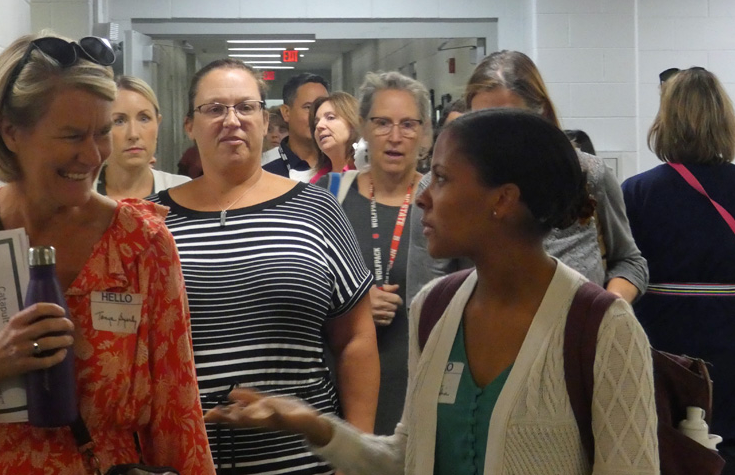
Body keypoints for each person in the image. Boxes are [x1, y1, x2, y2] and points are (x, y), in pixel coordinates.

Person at [205, 108, 660, 475]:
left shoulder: (600, 328)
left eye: (441, 179)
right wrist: (311, 424)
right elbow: (406, 459)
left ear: (501, 200)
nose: (423, 196)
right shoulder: (435, 308)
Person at [0, 33, 212, 474]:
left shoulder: (141, 244)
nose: (92, 154)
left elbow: (178, 412)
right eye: (71, 136)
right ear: (10, 132)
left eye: (103, 132)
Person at [148, 58, 379, 474]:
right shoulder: (151, 224)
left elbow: (355, 340)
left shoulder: (317, 208)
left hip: (305, 461)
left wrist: (357, 453)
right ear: (188, 125)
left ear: (265, 118)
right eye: (215, 109)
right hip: (187, 461)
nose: (231, 120)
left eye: (245, 107)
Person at [622, 67, 735, 475]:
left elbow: (613, 273)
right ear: (725, 122)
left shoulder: (636, 192)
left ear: (665, 123)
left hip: (661, 363)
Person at [407, 50, 648, 306]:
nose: (495, 140)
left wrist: (608, 309)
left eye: (509, 124)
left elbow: (629, 261)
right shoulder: (440, 191)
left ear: (539, 114)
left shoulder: (587, 176)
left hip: (579, 339)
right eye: (481, 122)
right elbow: (424, 300)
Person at [315, 72, 427, 435]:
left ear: (424, 134)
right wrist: (359, 303)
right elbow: (307, 291)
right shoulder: (330, 196)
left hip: (420, 384)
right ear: (362, 127)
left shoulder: (444, 201)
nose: (395, 137)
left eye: (408, 125)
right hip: (341, 385)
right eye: (382, 123)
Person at [96, 75, 190, 200]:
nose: (133, 134)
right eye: (119, 121)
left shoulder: (183, 190)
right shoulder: (81, 195)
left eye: (144, 119)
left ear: (157, 123)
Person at [262, 73, 330, 181]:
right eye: (308, 107)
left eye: (322, 107)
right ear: (286, 112)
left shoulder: (339, 164)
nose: (316, 115)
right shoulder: (263, 168)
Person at [309, 91, 361, 183]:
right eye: (316, 122)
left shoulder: (370, 173)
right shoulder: (315, 183)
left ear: (353, 122)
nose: (319, 126)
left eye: (330, 118)